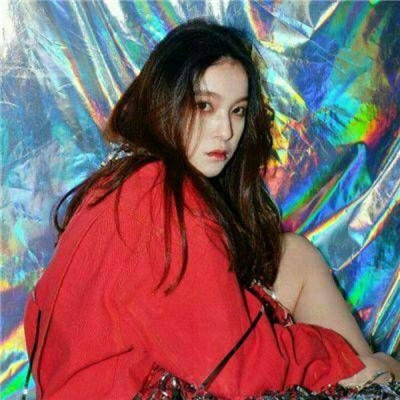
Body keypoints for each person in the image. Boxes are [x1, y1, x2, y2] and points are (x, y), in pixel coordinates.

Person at [23, 18, 399, 400]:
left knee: (294, 257)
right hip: (125, 389)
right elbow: (241, 370)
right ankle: (374, 388)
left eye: (237, 111)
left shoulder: (128, 180)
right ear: (165, 101)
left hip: (99, 377)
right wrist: (348, 365)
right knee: (373, 372)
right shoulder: (162, 200)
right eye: (205, 106)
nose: (226, 131)